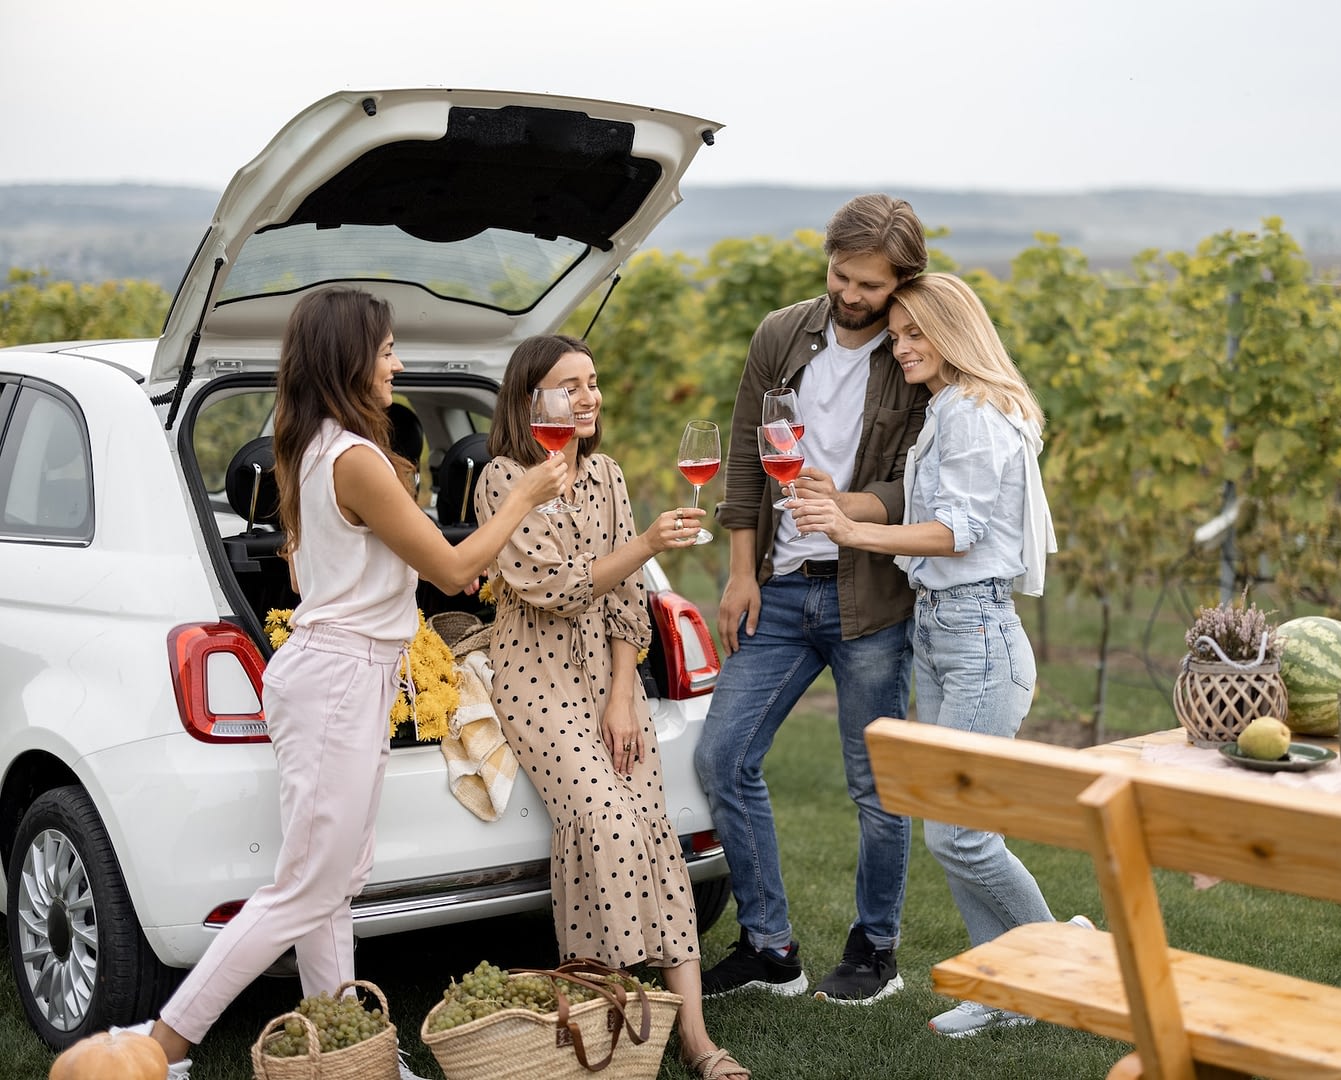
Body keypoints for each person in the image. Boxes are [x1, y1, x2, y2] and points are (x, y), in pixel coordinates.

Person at [129, 287, 567, 1079]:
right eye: (388, 348)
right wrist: (527, 496)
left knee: (333, 882)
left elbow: (304, 568)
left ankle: (345, 1051)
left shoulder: (312, 445)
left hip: (339, 672)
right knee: (305, 888)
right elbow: (457, 570)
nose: (398, 362)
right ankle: (164, 1045)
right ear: (350, 358)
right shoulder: (356, 459)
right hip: (338, 678)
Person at [792, 271, 1077, 1037]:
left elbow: (957, 533)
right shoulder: (951, 409)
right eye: (899, 332)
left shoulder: (973, 414)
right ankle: (1005, 990)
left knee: (961, 833)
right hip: (948, 632)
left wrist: (854, 534)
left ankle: (1059, 957)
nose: (902, 344)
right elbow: (931, 512)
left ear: (955, 333)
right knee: (956, 829)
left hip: (978, 638)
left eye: (918, 332)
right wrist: (843, 500)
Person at [473, 334, 749, 1080]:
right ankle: (616, 1018)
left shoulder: (607, 474)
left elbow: (629, 602)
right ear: (530, 401)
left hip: (607, 679)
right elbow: (557, 589)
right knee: (604, 823)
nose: (588, 397)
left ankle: (693, 1037)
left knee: (654, 831)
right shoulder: (504, 479)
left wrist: (625, 695)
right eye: (569, 386)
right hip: (535, 678)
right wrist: (650, 540)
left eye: (592, 382)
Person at [695, 194, 931, 1004]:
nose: (852, 296)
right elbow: (741, 454)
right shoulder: (780, 335)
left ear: (901, 283)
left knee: (875, 786)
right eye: (842, 276)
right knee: (722, 757)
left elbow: (924, 484)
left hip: (872, 598)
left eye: (870, 285)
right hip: (784, 590)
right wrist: (740, 570)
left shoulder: (915, 353)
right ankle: (769, 947)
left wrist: (852, 507)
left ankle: (875, 946)